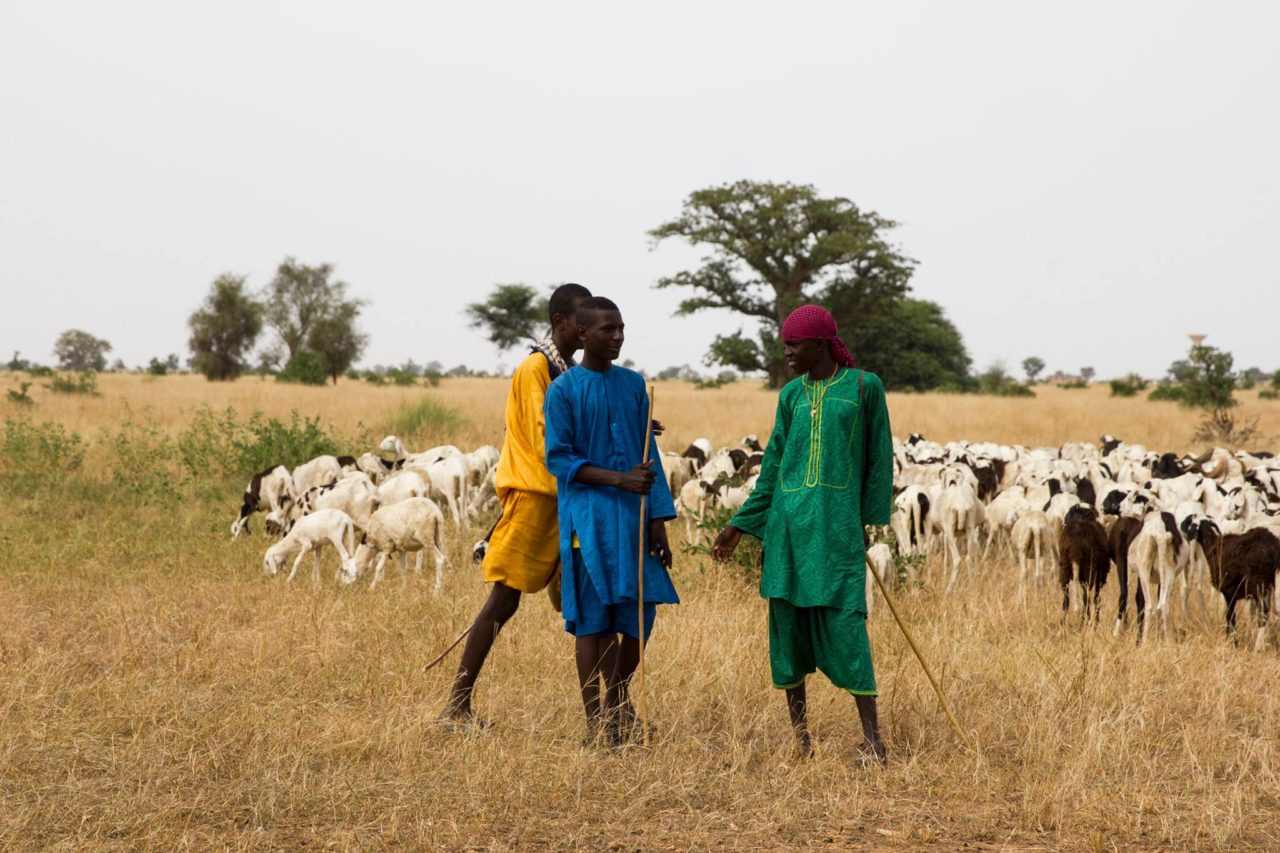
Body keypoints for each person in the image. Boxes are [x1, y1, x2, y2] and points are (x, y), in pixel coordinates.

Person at [711, 304, 894, 764]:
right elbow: (773, 464)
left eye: (795, 344)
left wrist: (869, 520)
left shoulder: (862, 388)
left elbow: (878, 456)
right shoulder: (791, 395)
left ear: (821, 344)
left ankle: (873, 741)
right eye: (785, 344)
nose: (788, 352)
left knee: (847, 623)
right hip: (787, 530)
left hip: (836, 530)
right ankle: (801, 741)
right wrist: (739, 525)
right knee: (787, 627)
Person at [440, 282, 592, 729]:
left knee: (587, 602)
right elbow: (548, 437)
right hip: (535, 496)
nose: (589, 329)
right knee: (503, 600)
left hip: (565, 496)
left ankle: (609, 713)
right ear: (560, 322)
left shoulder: (564, 368)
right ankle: (457, 706)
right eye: (580, 321)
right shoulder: (535, 368)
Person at [543, 296, 677, 746]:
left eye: (621, 328)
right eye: (608, 330)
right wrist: (619, 480)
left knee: (639, 618)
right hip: (589, 524)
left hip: (635, 522)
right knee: (593, 625)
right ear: (583, 335)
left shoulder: (633, 385)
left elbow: (647, 453)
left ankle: (619, 700)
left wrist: (658, 519)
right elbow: (560, 460)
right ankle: (595, 722)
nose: (618, 337)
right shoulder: (562, 391)